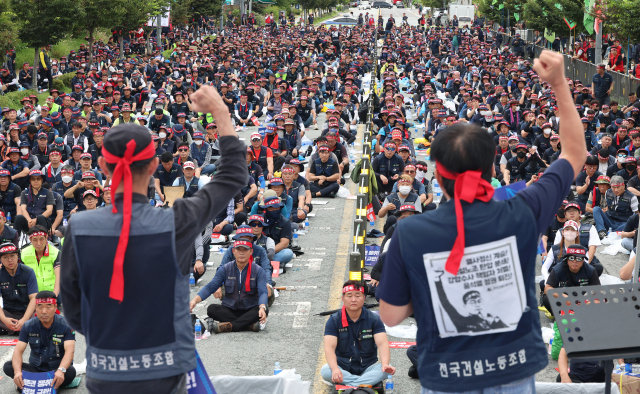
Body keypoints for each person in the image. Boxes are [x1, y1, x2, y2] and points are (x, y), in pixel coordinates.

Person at [377, 51, 587, 392]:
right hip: (514, 370)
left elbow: (390, 316)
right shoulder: (522, 208)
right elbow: (574, 154)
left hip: (446, 376)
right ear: (492, 169)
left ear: (436, 176)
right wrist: (559, 84)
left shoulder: (409, 231)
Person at [60, 85, 247, 393]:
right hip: (165, 369)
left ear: (103, 166)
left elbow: (73, 308)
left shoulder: (78, 227)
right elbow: (233, 175)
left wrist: (110, 332)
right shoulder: (177, 220)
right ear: (154, 165)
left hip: (106, 370)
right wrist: (220, 112)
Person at [321, 280, 395, 387]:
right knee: (326, 370)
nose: (353, 299)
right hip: (342, 367)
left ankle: (350, 385)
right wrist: (335, 369)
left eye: (358, 295)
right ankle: (364, 384)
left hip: (368, 367)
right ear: (343, 298)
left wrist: (385, 364)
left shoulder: (374, 319)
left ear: (364, 298)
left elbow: (382, 344)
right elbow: (329, 348)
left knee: (386, 369)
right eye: (349, 296)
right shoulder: (334, 320)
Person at [189, 240, 268, 333]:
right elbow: (211, 287)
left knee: (264, 310)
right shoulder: (225, 268)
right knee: (211, 309)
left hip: (249, 309)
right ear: (233, 251)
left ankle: (228, 326)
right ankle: (248, 325)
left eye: (245, 250)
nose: (242, 252)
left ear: (251, 252)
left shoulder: (259, 270)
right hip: (230, 309)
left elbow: (263, 291)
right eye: (238, 249)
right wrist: (194, 301)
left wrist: (262, 307)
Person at [3, 291, 77, 390]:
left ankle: (33, 383)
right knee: (8, 366)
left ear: (55, 307)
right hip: (36, 369)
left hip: (56, 369)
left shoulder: (66, 325)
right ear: (35, 308)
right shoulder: (27, 325)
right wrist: (17, 373)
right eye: (40, 306)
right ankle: (46, 384)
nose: (44, 311)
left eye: (48, 306)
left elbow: (70, 351)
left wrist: (60, 370)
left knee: (70, 371)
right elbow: (18, 351)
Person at [0, 243, 38, 334]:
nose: (10, 260)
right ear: (0, 259)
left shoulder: (28, 272)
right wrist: (5, 320)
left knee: (44, 314)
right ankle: (21, 329)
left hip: (28, 313)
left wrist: (24, 319)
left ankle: (14, 328)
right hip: (8, 313)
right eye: (5, 257)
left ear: (18, 256)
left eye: (12, 256)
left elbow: (34, 298)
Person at [592, 174, 639, 239]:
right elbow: (608, 207)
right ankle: (601, 231)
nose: (616, 190)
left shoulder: (632, 197)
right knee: (596, 209)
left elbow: (636, 214)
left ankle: (613, 233)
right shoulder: (608, 192)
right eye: (613, 187)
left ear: (623, 186)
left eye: (618, 187)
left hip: (623, 223)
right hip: (609, 220)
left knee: (629, 224)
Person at [20, 226, 61, 294]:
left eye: (41, 239)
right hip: (31, 293)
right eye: (35, 240)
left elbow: (59, 277)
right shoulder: (24, 253)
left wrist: (53, 297)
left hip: (51, 292)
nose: (39, 243)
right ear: (30, 240)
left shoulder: (55, 253)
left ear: (46, 238)